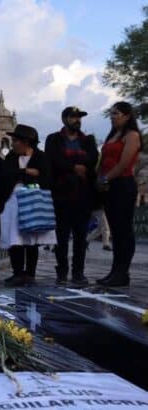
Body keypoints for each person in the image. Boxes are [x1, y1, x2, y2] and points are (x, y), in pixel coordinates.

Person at [45, 106, 98, 285]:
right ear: (65, 119)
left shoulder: (88, 140)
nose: (77, 120)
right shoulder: (54, 139)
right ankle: (62, 271)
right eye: (73, 117)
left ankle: (78, 272)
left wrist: (78, 165)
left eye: (79, 117)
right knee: (61, 236)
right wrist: (74, 167)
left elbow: (92, 158)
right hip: (61, 194)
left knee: (80, 237)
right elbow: (54, 159)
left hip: (82, 194)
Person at [0, 124, 55, 286]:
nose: (13, 143)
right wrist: (26, 172)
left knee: (32, 238)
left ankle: (30, 273)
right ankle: (17, 272)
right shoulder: (11, 157)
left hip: (34, 201)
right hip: (14, 201)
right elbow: (7, 175)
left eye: (16, 140)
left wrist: (25, 176)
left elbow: (46, 178)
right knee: (15, 236)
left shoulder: (41, 157)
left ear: (26, 142)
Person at [96, 102, 142, 287]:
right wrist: (100, 177)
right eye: (111, 114)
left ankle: (123, 271)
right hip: (109, 186)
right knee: (115, 229)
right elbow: (103, 159)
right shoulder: (112, 135)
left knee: (124, 230)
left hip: (123, 184)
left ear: (127, 116)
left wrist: (105, 179)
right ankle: (115, 270)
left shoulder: (132, 135)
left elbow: (124, 163)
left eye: (116, 114)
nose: (112, 117)